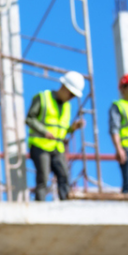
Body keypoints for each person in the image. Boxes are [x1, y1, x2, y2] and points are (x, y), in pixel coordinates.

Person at [25, 71, 86, 201]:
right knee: (43, 177)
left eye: (74, 95)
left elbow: (61, 130)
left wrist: (72, 128)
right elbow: (30, 119)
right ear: (64, 87)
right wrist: (44, 132)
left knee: (64, 175)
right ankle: (40, 205)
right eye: (71, 94)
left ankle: (65, 205)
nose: (71, 97)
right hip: (40, 145)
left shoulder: (67, 106)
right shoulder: (43, 98)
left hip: (57, 147)